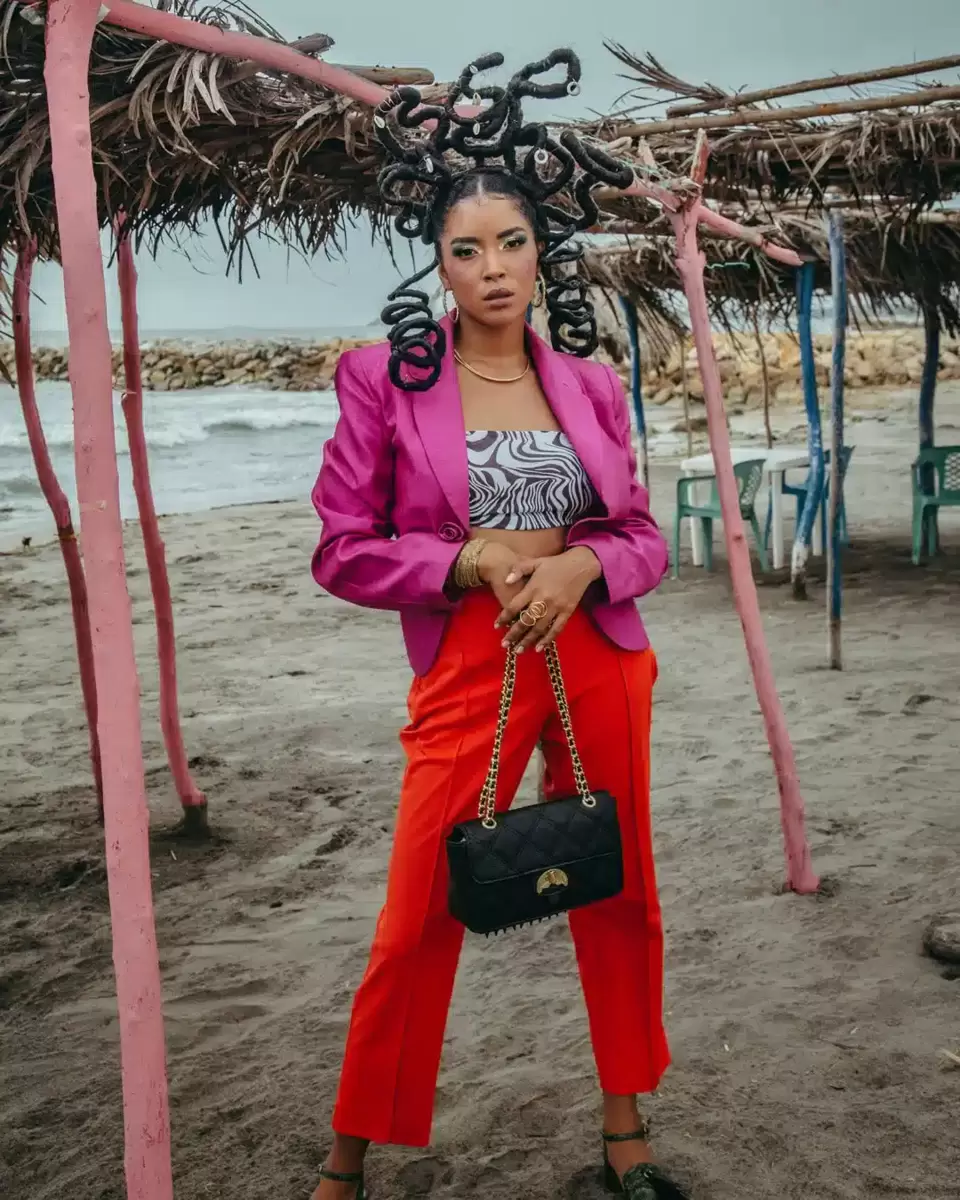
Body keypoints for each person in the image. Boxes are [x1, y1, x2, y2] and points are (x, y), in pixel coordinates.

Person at [309, 50, 686, 1200]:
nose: (493, 269)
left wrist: (582, 565)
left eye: (512, 244)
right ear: (436, 260)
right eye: (466, 250)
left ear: (541, 249)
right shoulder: (382, 379)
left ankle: (626, 1129)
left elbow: (645, 537)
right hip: (473, 659)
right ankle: (348, 1155)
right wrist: (465, 558)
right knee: (417, 910)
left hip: (598, 652)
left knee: (618, 886)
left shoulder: (590, 385)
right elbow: (341, 548)